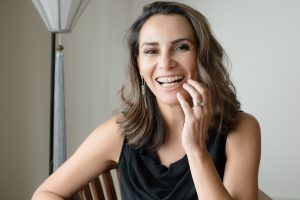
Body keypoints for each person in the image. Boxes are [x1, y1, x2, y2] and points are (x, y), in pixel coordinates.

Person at [32, 1, 261, 199]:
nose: (165, 63)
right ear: (138, 65)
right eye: (151, 51)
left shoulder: (241, 129)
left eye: (181, 47)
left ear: (203, 57)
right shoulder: (118, 133)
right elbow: (46, 193)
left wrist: (196, 150)